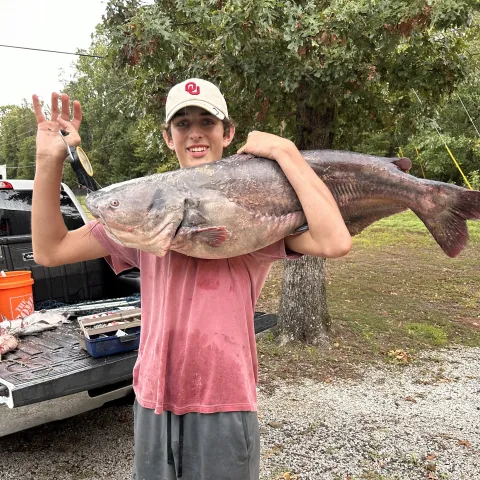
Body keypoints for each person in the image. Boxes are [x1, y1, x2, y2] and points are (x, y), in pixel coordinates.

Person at [31, 78, 352, 480]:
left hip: (224, 401)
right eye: (182, 124)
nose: (195, 132)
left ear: (228, 133)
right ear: (168, 137)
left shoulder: (250, 212)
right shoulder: (143, 216)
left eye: (207, 122)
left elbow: (334, 241)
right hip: (153, 397)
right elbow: (51, 250)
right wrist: (49, 161)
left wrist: (287, 153)